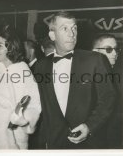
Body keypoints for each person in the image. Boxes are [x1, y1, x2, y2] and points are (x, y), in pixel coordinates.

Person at [34, 11, 116, 149]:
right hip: (55, 145)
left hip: (89, 145)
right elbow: (43, 108)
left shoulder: (95, 60)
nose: (71, 34)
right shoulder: (41, 66)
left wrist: (89, 126)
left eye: (74, 28)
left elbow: (109, 98)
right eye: (64, 28)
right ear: (52, 35)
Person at [92, 34, 123, 148]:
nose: (115, 54)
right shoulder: (81, 75)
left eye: (116, 49)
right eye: (109, 49)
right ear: (95, 52)